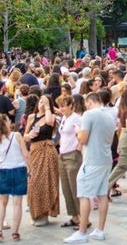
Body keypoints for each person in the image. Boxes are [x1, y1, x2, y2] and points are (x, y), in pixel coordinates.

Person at [63, 92, 116, 243]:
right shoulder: (110, 116)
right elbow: (111, 139)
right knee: (101, 194)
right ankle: (99, 230)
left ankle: (82, 231)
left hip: (92, 159)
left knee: (84, 194)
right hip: (105, 158)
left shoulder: (89, 114)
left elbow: (83, 138)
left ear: (89, 102)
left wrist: (78, 131)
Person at [0, 115, 29, 242]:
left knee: (2, 202)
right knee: (17, 203)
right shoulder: (16, 135)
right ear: (6, 123)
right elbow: (25, 154)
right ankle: (15, 232)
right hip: (19, 170)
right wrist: (31, 169)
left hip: (4, 171)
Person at [23, 94, 59, 227]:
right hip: (35, 150)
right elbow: (24, 137)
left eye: (44, 102)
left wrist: (48, 108)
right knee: (34, 182)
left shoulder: (51, 116)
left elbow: (49, 122)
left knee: (46, 182)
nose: (41, 104)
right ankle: (36, 211)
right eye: (40, 102)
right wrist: (29, 135)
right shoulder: (32, 117)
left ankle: (44, 213)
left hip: (47, 151)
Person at [56, 96, 84, 228]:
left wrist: (78, 148)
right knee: (66, 188)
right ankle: (74, 216)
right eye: (60, 106)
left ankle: (84, 218)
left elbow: (82, 134)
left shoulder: (76, 118)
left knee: (75, 188)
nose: (61, 109)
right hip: (62, 154)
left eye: (64, 106)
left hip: (72, 155)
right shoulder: (64, 118)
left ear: (70, 106)